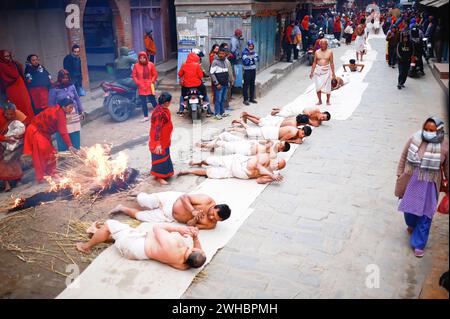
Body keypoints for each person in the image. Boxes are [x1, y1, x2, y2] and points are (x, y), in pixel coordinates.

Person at [395, 117, 448, 258]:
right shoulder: (414, 138)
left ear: (439, 130)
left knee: (426, 213)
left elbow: (447, 167)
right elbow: (404, 157)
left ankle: (419, 243)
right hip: (412, 180)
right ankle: (411, 224)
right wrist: (399, 174)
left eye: (432, 130)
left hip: (430, 184)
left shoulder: (445, 144)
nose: (428, 132)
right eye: (426, 129)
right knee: (410, 210)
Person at [76, 221, 206, 270]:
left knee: (109, 225)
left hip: (132, 244)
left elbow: (157, 227)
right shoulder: (183, 265)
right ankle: (94, 233)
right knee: (121, 234)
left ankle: (86, 247)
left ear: (194, 250)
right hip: (136, 253)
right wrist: (195, 237)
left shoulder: (173, 246)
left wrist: (179, 229)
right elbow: (197, 255)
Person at [109, 192, 231, 230]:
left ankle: (121, 208)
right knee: (144, 200)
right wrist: (193, 211)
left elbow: (189, 226)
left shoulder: (210, 224)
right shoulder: (206, 200)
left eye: (215, 219)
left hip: (169, 217)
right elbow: (184, 197)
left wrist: (194, 219)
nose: (211, 218)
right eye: (213, 215)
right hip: (170, 201)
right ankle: (137, 194)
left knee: (141, 216)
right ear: (215, 207)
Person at [23, 98, 77, 182]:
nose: (71, 109)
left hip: (41, 131)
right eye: (70, 107)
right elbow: (63, 132)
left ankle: (51, 173)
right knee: (44, 154)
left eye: (72, 107)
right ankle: (43, 177)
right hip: (36, 131)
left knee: (50, 153)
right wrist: (70, 146)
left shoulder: (58, 109)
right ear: (63, 107)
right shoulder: (60, 114)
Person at [178, 153, 286, 184]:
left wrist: (272, 178)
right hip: (234, 162)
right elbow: (257, 165)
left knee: (210, 173)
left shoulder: (270, 172)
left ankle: (189, 171)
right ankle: (198, 162)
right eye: (278, 163)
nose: (276, 166)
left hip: (234, 173)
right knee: (211, 160)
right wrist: (271, 175)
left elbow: (258, 180)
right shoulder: (265, 158)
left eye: (278, 167)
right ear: (275, 159)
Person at [49, 69, 84, 151]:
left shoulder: (71, 86)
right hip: (61, 114)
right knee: (63, 132)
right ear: (59, 78)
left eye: (67, 78)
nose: (66, 79)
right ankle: (65, 154)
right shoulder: (54, 88)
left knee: (74, 132)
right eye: (63, 78)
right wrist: (54, 116)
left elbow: (77, 98)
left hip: (73, 114)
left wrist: (81, 110)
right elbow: (51, 104)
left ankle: (76, 151)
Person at [0, 102, 28, 192]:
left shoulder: (17, 114)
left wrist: (20, 135)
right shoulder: (2, 116)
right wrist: (5, 138)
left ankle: (18, 179)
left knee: (14, 159)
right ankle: (6, 183)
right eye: (7, 114)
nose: (9, 116)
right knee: (3, 161)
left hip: (14, 142)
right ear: (4, 113)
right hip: (2, 141)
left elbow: (25, 125)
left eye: (11, 114)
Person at [0, 50, 35, 120]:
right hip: (12, 88)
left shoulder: (13, 63)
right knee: (19, 105)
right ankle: (25, 121)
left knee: (27, 103)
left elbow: (19, 72)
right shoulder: (2, 65)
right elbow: (13, 74)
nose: (8, 58)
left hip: (20, 86)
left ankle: (31, 119)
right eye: (6, 56)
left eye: (9, 56)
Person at [197, 132, 290, 157]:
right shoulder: (273, 144)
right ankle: (211, 146)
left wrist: (268, 145)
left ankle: (205, 146)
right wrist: (267, 141)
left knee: (220, 142)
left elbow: (266, 155)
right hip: (247, 143)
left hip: (245, 150)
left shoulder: (273, 153)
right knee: (224, 135)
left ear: (281, 149)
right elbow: (261, 141)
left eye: (280, 144)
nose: (278, 142)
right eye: (280, 142)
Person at [150, 92, 174, 185]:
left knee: (165, 155)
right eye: (170, 101)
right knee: (159, 156)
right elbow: (157, 129)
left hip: (165, 139)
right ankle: (159, 177)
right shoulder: (159, 113)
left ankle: (165, 173)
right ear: (167, 102)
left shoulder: (163, 109)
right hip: (159, 140)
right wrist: (158, 144)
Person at [177, 52, 211, 117]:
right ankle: (208, 110)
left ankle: (181, 110)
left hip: (186, 86)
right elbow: (200, 75)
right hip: (198, 85)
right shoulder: (197, 65)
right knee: (205, 94)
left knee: (182, 95)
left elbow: (179, 74)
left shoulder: (184, 65)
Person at [229, 121, 312, 144]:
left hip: (271, 132)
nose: (302, 136)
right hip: (269, 132)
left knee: (251, 133)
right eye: (303, 133)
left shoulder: (295, 130)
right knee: (249, 133)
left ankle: (241, 123)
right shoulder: (293, 132)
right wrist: (293, 141)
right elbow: (282, 140)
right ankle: (233, 129)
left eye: (304, 136)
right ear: (301, 129)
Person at [132, 51, 158, 122]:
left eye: (144, 58)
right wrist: (138, 82)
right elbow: (134, 76)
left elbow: (154, 74)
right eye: (140, 58)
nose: (142, 59)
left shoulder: (151, 64)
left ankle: (160, 113)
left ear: (146, 58)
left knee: (153, 101)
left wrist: (151, 81)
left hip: (149, 85)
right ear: (139, 58)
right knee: (143, 102)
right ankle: (146, 116)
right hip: (141, 86)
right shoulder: (136, 66)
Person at [309, 39, 335, 106]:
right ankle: (320, 100)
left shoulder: (330, 52)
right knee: (318, 86)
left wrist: (333, 74)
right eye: (321, 44)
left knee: (328, 86)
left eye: (324, 44)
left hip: (326, 70)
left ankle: (328, 100)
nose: (323, 45)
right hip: (318, 70)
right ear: (319, 45)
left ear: (327, 45)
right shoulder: (317, 52)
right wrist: (311, 72)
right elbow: (314, 62)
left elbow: (331, 63)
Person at [210, 47, 230, 120]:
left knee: (223, 99)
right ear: (218, 54)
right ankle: (217, 114)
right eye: (220, 53)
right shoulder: (215, 62)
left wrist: (228, 82)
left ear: (225, 54)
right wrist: (216, 83)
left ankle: (222, 112)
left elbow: (227, 73)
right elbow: (212, 73)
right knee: (218, 100)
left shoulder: (225, 61)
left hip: (225, 84)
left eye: (223, 53)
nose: (221, 55)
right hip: (219, 85)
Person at [239, 111, 310, 128]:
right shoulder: (294, 125)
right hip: (276, 124)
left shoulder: (295, 118)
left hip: (278, 119)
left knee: (262, 119)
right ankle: (247, 116)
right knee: (259, 122)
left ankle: (248, 114)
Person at [242, 41, 259, 106]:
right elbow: (247, 62)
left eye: (252, 46)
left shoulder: (254, 52)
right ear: (248, 46)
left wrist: (251, 59)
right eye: (250, 46)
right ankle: (245, 99)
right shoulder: (244, 52)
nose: (251, 47)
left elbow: (258, 59)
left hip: (253, 70)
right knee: (246, 85)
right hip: (247, 70)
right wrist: (253, 59)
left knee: (252, 84)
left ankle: (251, 98)